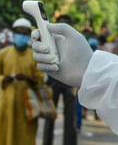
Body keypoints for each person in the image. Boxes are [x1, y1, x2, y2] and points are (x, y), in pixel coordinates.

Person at [31, 22, 118, 144]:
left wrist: (90, 69)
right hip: (64, 80)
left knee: (72, 113)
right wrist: (89, 69)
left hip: (78, 81)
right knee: (52, 115)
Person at [0, 18, 45, 145]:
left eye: (24, 33)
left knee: (25, 137)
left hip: (27, 105)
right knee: (4, 134)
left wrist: (28, 78)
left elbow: (41, 79)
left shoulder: (34, 56)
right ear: (13, 33)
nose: (21, 36)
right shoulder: (3, 53)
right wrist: (4, 79)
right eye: (18, 32)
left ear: (28, 35)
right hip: (6, 103)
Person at [42, 15, 77, 145]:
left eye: (67, 24)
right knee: (50, 116)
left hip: (70, 82)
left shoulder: (75, 41)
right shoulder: (50, 40)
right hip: (53, 81)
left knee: (70, 116)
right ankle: (47, 142)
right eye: (61, 24)